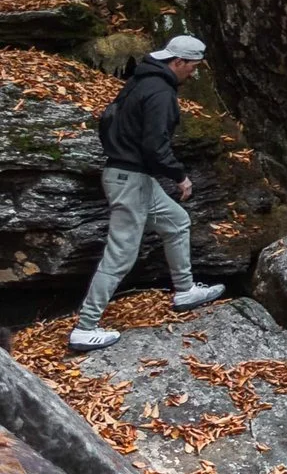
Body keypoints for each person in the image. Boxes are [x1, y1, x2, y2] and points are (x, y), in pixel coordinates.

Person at [67, 33, 219, 352]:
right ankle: (85, 327)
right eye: (193, 67)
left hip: (130, 175)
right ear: (178, 62)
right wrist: (180, 177)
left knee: (176, 222)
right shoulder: (160, 92)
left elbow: (108, 121)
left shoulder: (141, 80)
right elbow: (155, 145)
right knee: (121, 253)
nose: (194, 73)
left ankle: (185, 290)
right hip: (130, 179)